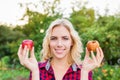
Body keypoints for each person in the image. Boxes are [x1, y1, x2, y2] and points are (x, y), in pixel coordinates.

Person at [17, 18, 104, 80]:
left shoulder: (84, 70)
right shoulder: (37, 69)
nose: (59, 44)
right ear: (49, 43)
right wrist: (35, 71)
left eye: (65, 38)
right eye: (54, 38)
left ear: (72, 42)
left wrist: (84, 72)